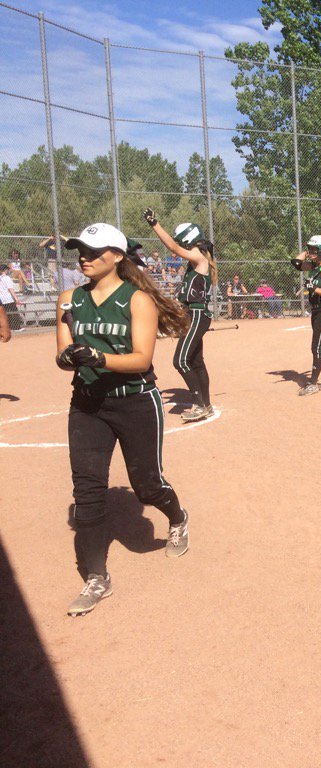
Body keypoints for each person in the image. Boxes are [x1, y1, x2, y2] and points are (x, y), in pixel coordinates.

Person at [56, 223, 193, 617]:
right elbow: (63, 352)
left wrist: (99, 358)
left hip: (134, 401)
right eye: (80, 249)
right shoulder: (69, 299)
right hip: (86, 404)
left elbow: (141, 360)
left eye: (93, 251)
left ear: (116, 256)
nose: (84, 256)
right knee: (87, 492)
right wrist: (69, 357)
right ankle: (97, 578)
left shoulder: (137, 300)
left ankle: (178, 517)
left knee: (147, 486)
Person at [143, 207, 217, 422]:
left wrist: (154, 224)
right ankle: (206, 404)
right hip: (192, 315)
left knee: (181, 361)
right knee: (196, 361)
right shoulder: (197, 260)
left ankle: (200, 404)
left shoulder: (199, 257)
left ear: (189, 240)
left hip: (196, 315)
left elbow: (173, 246)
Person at [292, 236, 321, 395]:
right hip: (317, 311)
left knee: (317, 347)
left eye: (314, 249)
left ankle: (312, 383)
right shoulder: (313, 266)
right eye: (310, 249)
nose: (311, 252)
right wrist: (306, 253)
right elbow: (296, 263)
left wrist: (315, 289)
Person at [0, 264, 23, 332]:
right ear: (4, 270)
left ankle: (8, 327)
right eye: (7, 269)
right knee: (14, 312)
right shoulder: (6, 278)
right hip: (8, 298)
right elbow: (11, 289)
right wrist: (16, 299)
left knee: (6, 313)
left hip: (2, 299)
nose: (8, 270)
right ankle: (16, 328)